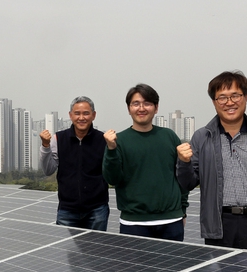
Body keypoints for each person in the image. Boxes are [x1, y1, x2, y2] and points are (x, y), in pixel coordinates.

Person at [176, 71, 247, 252]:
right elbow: (187, 183)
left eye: (235, 95)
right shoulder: (202, 137)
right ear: (214, 102)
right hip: (219, 225)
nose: (229, 102)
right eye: (222, 97)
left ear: (245, 97)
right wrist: (184, 162)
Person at [102, 84, 188, 241]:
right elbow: (112, 179)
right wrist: (111, 149)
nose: (141, 108)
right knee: (135, 267)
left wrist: (182, 210)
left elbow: (181, 177)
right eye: (135, 104)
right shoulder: (118, 141)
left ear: (156, 108)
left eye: (147, 103)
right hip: (134, 224)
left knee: (173, 266)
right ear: (129, 109)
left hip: (171, 221)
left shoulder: (169, 136)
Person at [39, 96, 109, 230]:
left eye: (86, 113)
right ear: (70, 115)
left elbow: (112, 172)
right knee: (66, 250)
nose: (81, 117)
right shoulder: (58, 138)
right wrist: (45, 145)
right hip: (67, 210)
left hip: (97, 209)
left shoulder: (103, 140)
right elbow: (48, 170)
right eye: (77, 113)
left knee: (96, 250)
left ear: (93, 115)